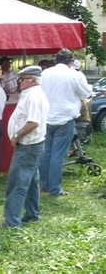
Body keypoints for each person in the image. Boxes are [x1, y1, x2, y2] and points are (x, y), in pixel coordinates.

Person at [0, 66, 49, 227]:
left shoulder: (33, 96)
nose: (19, 81)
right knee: (31, 181)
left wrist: (16, 135)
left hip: (27, 145)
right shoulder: (31, 94)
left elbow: (33, 122)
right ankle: (33, 213)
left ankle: (12, 221)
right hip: (32, 145)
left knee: (17, 183)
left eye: (23, 78)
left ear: (33, 80)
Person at [39, 49, 92, 196]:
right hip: (65, 119)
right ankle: (55, 189)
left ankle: (45, 186)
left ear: (56, 60)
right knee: (58, 155)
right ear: (71, 62)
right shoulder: (74, 75)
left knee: (46, 153)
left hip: (46, 118)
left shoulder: (45, 74)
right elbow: (87, 93)